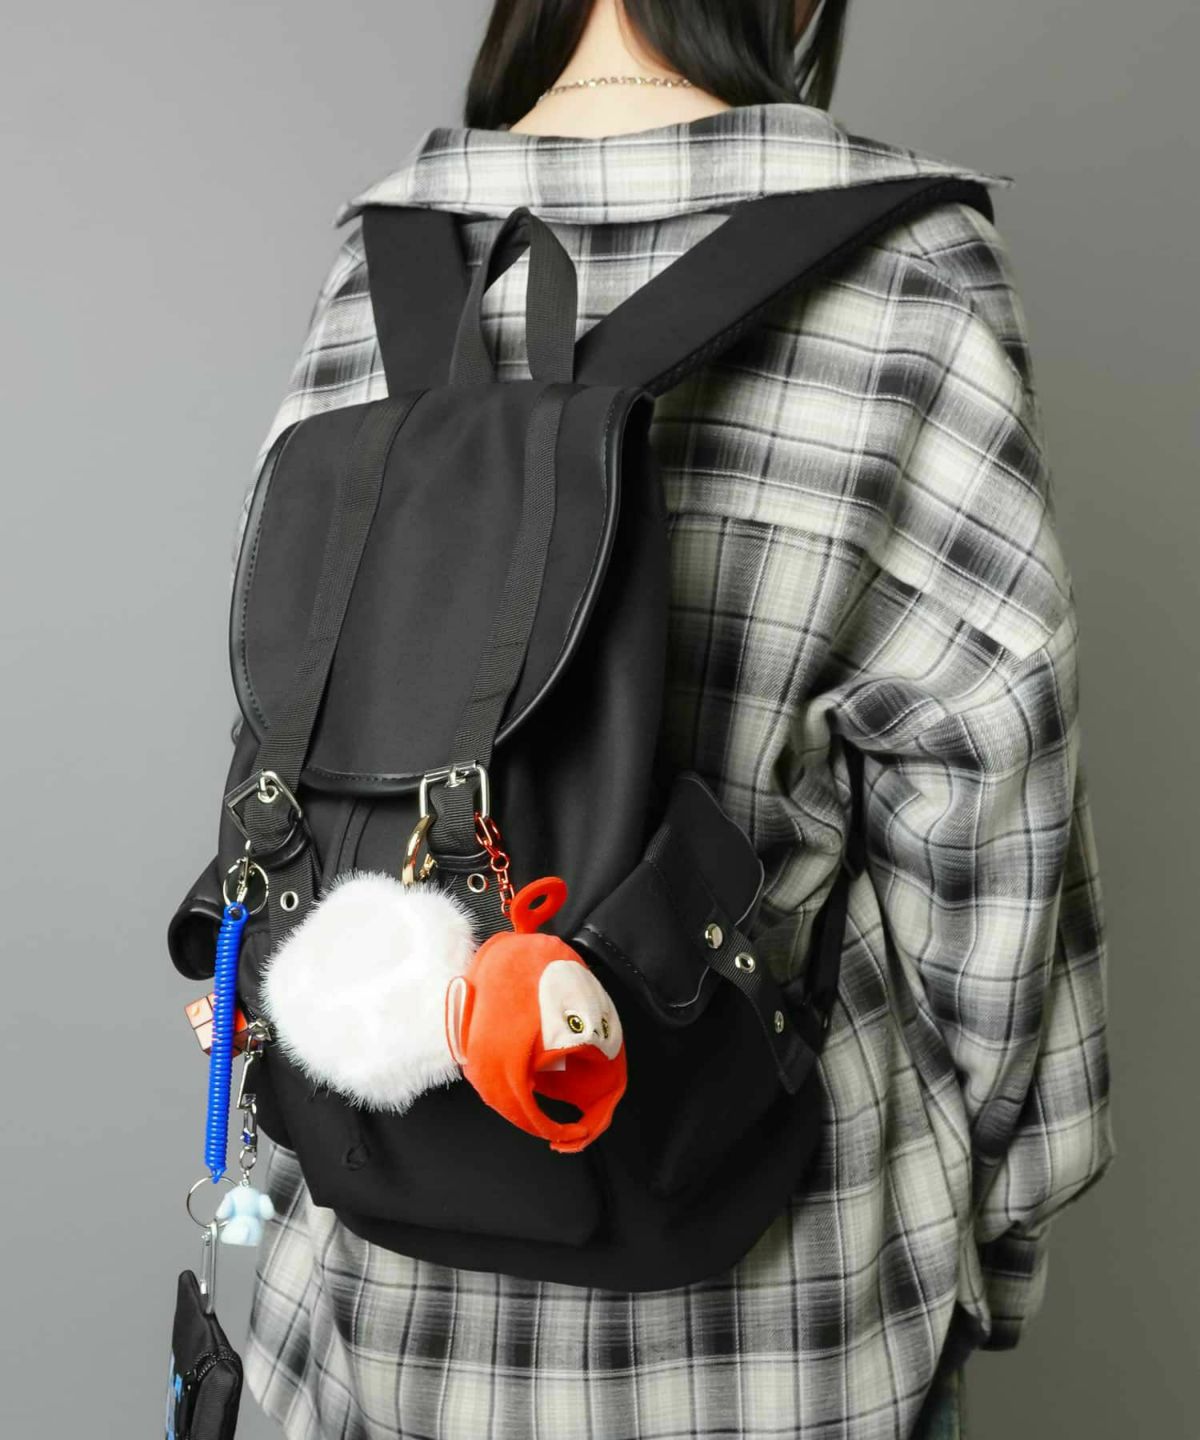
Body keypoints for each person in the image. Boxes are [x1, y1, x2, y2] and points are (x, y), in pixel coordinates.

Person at [240, 2, 1115, 1436]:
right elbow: (993, 846)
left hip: (376, 1279)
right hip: (781, 1306)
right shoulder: (909, 273)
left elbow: (298, 756)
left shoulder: (384, 265)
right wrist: (992, 1235)